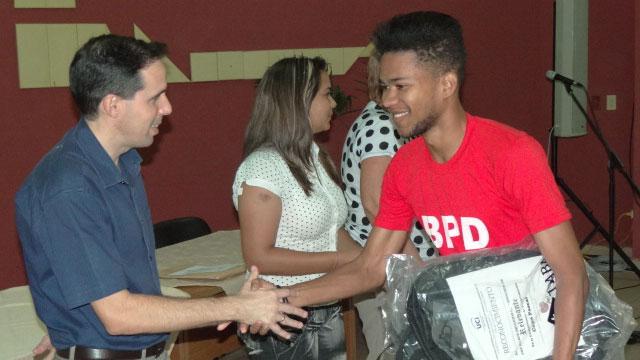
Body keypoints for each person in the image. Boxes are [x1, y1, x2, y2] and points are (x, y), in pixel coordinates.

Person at [287, 11, 589, 360]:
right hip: (474, 327)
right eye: (385, 86)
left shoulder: (512, 153)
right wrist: (284, 299)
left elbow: (571, 273)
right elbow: (370, 267)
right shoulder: (405, 166)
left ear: (447, 84)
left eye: (401, 86)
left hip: (537, 331)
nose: (386, 99)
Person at [15, 34, 306, 360]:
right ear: (113, 105)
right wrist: (236, 307)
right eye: (155, 98)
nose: (167, 108)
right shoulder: (69, 188)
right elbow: (119, 315)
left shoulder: (122, 163)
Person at [232, 56, 362, 360]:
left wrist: (365, 261)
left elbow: (332, 228)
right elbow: (259, 257)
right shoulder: (263, 168)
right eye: (326, 94)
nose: (333, 103)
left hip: (324, 303)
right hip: (282, 312)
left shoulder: (315, 158)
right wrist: (340, 261)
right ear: (299, 102)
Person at [340, 54, 437, 360]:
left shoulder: (383, 122)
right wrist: (414, 267)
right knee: (390, 349)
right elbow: (376, 204)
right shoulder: (380, 127)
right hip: (391, 266)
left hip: (392, 261)